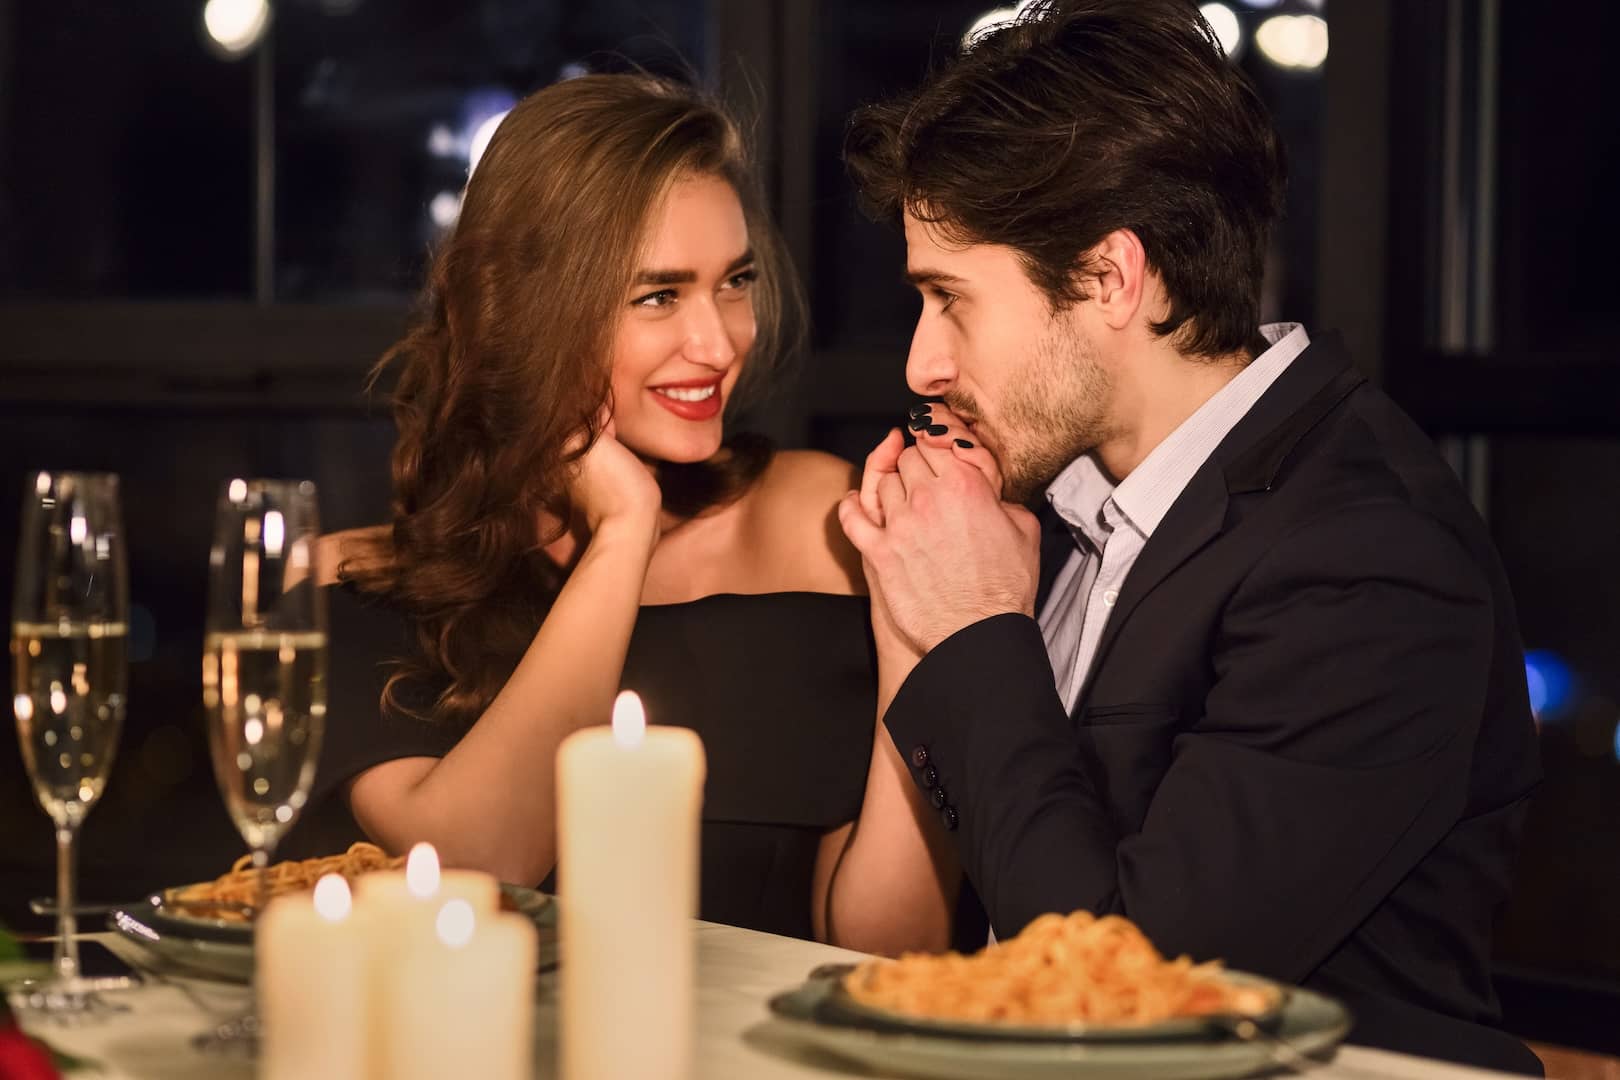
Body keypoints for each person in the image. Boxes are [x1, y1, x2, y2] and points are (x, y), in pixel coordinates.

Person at [835, 0, 1543, 1071]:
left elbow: (1131, 1000)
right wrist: (922, 619)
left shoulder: (1367, 560)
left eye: (953, 301)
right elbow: (913, 945)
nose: (922, 366)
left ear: (1111, 279)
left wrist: (977, 624)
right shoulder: (1059, 503)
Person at [312, 73, 952, 952]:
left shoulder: (823, 528)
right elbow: (480, 869)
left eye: (735, 281)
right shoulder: (361, 583)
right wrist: (622, 533)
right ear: (525, 310)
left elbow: (894, 950)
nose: (719, 341)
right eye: (658, 295)